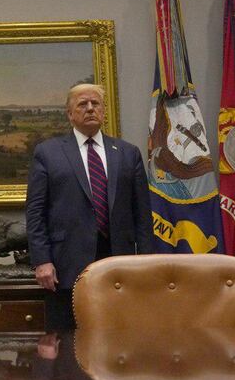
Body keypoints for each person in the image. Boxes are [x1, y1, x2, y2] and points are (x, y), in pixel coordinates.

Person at [26, 83, 152, 330]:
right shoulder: (48, 153)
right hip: (66, 266)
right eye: (83, 104)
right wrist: (41, 260)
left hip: (120, 264)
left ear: (104, 112)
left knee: (121, 338)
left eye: (96, 104)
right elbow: (35, 212)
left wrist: (146, 262)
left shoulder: (128, 153)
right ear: (70, 114)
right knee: (67, 346)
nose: (90, 108)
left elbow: (143, 215)